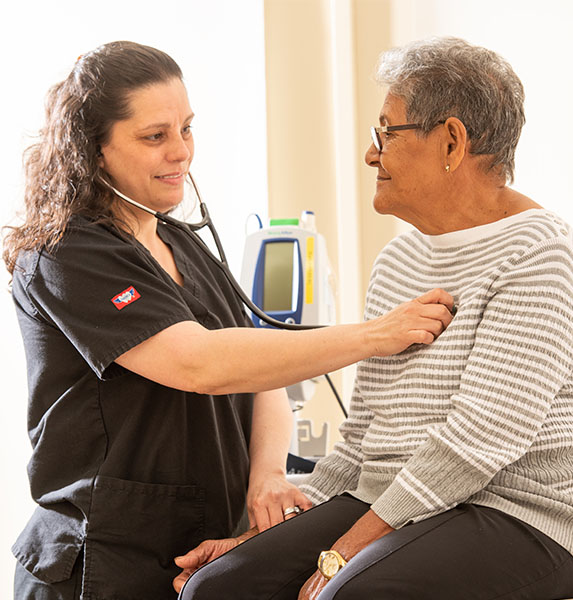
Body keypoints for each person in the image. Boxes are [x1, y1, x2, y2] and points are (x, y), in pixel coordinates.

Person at [2, 41, 455, 599]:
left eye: (186, 129)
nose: (181, 152)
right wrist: (374, 336)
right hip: (103, 560)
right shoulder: (67, 254)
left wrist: (266, 474)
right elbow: (201, 364)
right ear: (94, 150)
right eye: (155, 137)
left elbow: (256, 367)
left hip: (203, 551)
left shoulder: (180, 243)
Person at [174, 37, 573, 600]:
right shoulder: (400, 259)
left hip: (525, 508)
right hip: (399, 497)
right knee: (218, 588)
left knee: (349, 595)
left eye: (386, 134)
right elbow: (363, 437)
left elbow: (477, 442)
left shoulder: (542, 252)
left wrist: (342, 554)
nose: (372, 154)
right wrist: (263, 539)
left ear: (452, 141)